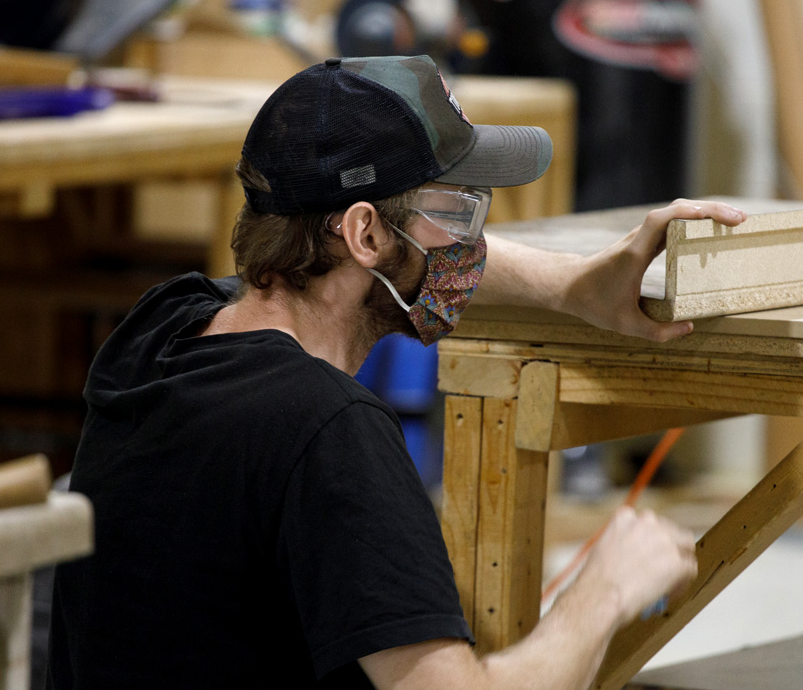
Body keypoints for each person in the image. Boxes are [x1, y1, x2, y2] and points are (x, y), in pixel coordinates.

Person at [47, 54, 747, 690]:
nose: (470, 246)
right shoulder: (329, 433)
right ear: (365, 233)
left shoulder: (158, 331)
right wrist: (603, 595)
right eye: (460, 211)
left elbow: (413, 254)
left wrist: (572, 285)